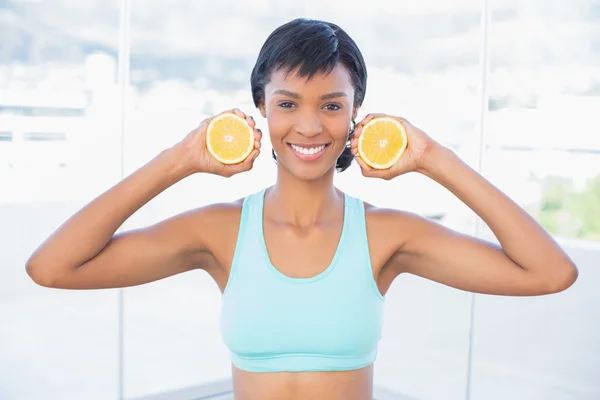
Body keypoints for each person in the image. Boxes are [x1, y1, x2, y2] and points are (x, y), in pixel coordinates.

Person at [25, 18, 578, 400]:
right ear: (262, 108)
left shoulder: (387, 237)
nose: (309, 126)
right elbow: (52, 268)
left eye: (331, 106)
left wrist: (433, 157)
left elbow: (551, 273)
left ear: (356, 114)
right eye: (288, 103)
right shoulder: (218, 231)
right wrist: (180, 160)